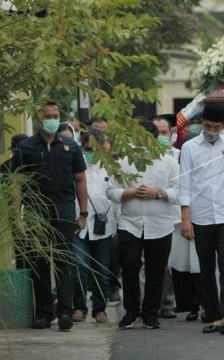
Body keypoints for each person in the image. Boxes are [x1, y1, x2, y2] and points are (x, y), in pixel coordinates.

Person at [11, 101, 88, 331]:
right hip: (36, 212)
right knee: (40, 263)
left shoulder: (70, 146)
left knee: (64, 263)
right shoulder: (26, 148)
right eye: (48, 116)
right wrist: (18, 216)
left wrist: (83, 213)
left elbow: (81, 180)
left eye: (56, 115)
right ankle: (44, 313)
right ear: (39, 119)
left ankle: (65, 311)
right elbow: (17, 183)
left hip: (64, 210)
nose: (52, 119)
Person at [179, 103, 224, 335]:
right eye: (208, 125)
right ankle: (214, 315)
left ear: (223, 126)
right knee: (206, 266)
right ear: (201, 123)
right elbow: (184, 184)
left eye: (216, 127)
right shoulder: (189, 147)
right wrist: (185, 217)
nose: (211, 130)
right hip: (201, 215)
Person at [107, 120, 179, 330]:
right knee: (129, 267)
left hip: (161, 225)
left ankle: (150, 313)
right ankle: (131, 311)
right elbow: (111, 190)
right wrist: (129, 193)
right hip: (130, 223)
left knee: (156, 270)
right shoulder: (122, 162)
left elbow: (179, 191)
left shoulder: (168, 161)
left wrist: (157, 193)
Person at [72, 129, 116, 324]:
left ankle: (100, 309)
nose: (89, 151)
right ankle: (79, 307)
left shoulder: (112, 168)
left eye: (93, 148)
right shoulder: (75, 164)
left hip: (104, 227)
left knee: (101, 270)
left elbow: (117, 197)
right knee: (79, 267)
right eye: (86, 148)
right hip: (79, 225)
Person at [168, 134, 203, 322]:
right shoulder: (178, 170)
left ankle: (202, 304)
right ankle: (189, 305)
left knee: (200, 266)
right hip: (180, 221)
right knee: (184, 266)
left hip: (202, 221)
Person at [89, 116, 120, 303]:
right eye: (96, 131)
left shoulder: (116, 161)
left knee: (109, 256)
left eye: (104, 131)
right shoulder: (83, 156)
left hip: (110, 216)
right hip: (88, 216)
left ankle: (111, 286)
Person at [152, 114, 180, 319]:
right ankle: (152, 304)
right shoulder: (142, 157)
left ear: (171, 134)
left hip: (177, 216)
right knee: (153, 264)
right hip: (152, 216)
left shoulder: (179, 156)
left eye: (164, 132)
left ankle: (169, 303)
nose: (161, 136)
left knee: (171, 263)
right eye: (157, 132)